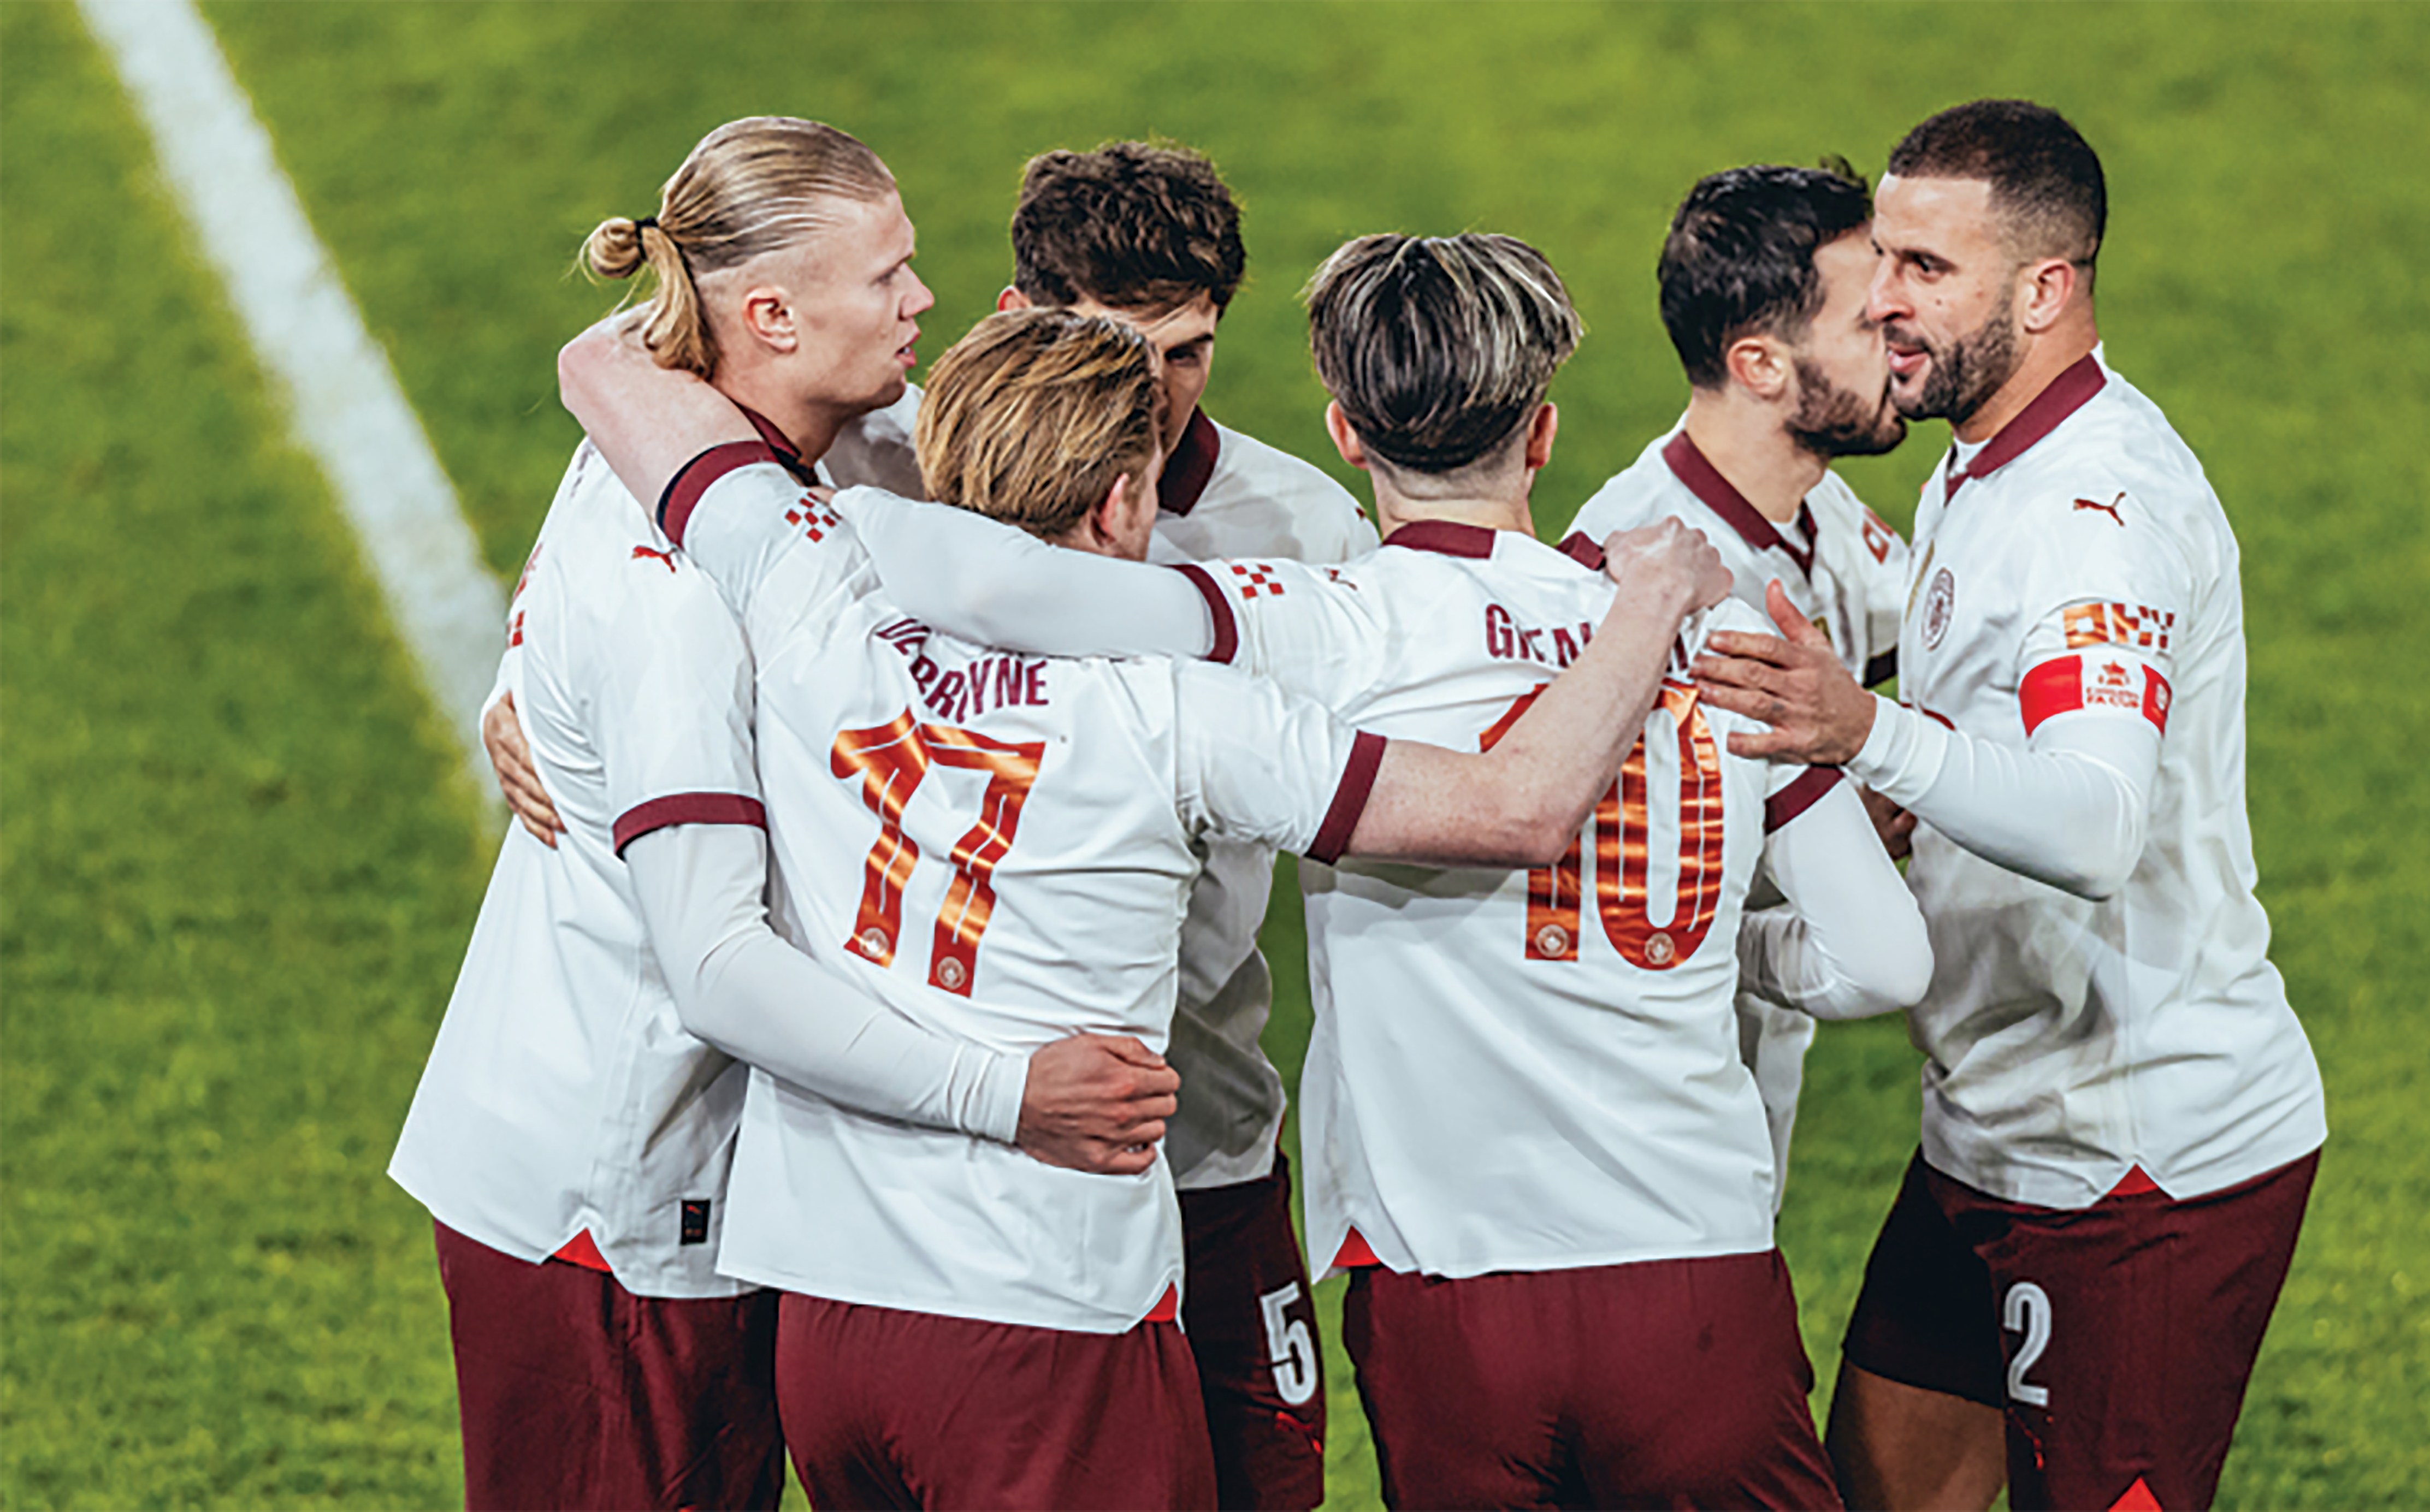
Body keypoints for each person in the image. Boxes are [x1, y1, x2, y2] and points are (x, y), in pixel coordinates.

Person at [680, 231, 1934, 1509]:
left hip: (1444, 1283)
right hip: (1695, 1269)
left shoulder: (1314, 622)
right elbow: (1885, 957)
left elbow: (1012, 590)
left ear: (1344, 431)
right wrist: (1734, 942)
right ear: (1544, 434)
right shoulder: (1715, 630)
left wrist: (859, 510)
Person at [389, 116, 1170, 1511]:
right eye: (888, 278)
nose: (923, 301)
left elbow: (612, 361)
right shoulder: (674, 595)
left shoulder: (763, 445)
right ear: (769, 318)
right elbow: (714, 966)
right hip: (607, 1211)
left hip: (707, 1191)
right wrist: (1012, 1097)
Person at [1691, 99, 2326, 1512]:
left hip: (2137, 1166)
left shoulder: (2096, 513)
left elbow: (2095, 825)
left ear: (2047, 291)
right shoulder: (1988, 459)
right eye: (1883, 258)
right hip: (1993, 1124)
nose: (1880, 302)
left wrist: (1868, 735)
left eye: (1927, 269)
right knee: (1882, 1487)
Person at [823, 141, 1373, 1509]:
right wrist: (521, 688)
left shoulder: (1298, 523)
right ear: (1012, 315)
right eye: (1118, 351)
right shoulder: (878, 473)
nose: (1153, 396)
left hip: (1204, 1140)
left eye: (1187, 354)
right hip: (953, 1165)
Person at [1565, 160, 1915, 1197]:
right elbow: (1600, 872)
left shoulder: (1830, 514)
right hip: (1645, 1138)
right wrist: (1843, 827)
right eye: (1867, 324)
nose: (1902, 342)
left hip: (1748, 1103)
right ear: (1761, 365)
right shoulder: (1627, 576)